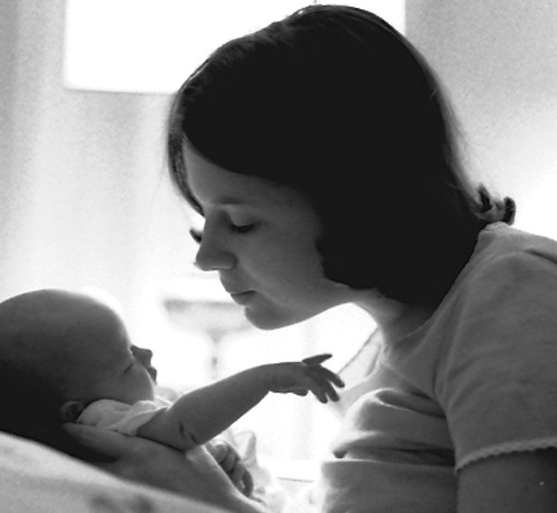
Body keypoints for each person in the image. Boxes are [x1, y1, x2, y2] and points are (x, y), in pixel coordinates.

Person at [60, 4, 557, 513]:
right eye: (203, 220)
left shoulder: (512, 294)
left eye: (241, 223)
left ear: (355, 198)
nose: (207, 258)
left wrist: (216, 501)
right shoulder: (398, 340)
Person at [0, 288, 343, 499]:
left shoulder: (116, 414)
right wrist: (263, 379)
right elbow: (182, 428)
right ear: (76, 409)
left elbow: (186, 444)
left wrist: (215, 455)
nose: (146, 354)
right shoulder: (103, 419)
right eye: (127, 359)